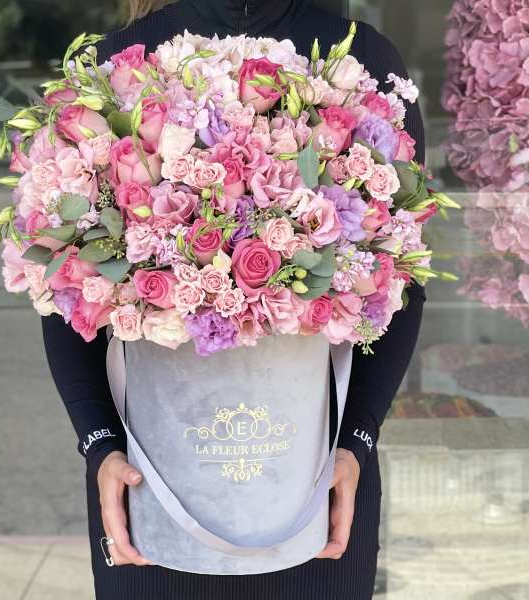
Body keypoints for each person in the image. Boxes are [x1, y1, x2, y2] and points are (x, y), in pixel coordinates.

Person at [41, 1, 426, 598]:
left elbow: (400, 277)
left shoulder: (362, 62)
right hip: (152, 485)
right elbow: (65, 289)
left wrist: (356, 442)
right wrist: (99, 446)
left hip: (316, 486)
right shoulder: (115, 67)